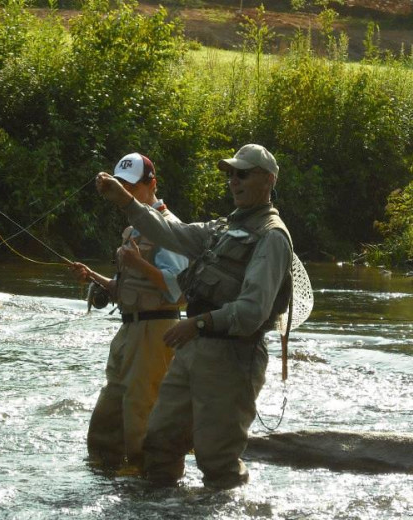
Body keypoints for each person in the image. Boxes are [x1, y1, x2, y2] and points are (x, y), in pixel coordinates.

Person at [95, 144, 294, 489]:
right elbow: (170, 233)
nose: (234, 180)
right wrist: (125, 201)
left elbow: (252, 311)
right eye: (230, 173)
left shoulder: (272, 236)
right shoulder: (222, 228)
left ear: (268, 180)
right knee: (159, 445)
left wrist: (198, 323)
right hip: (192, 349)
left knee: (217, 461)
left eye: (243, 173)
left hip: (233, 357)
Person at [70, 152, 188, 472]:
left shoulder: (169, 228)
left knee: (140, 418)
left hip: (154, 334)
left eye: (131, 187)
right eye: (120, 186)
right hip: (128, 332)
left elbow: (178, 291)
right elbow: (128, 288)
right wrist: (95, 278)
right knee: (106, 422)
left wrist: (138, 264)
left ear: (152, 185)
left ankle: (149, 490)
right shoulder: (134, 229)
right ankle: (106, 479)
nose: (124, 193)